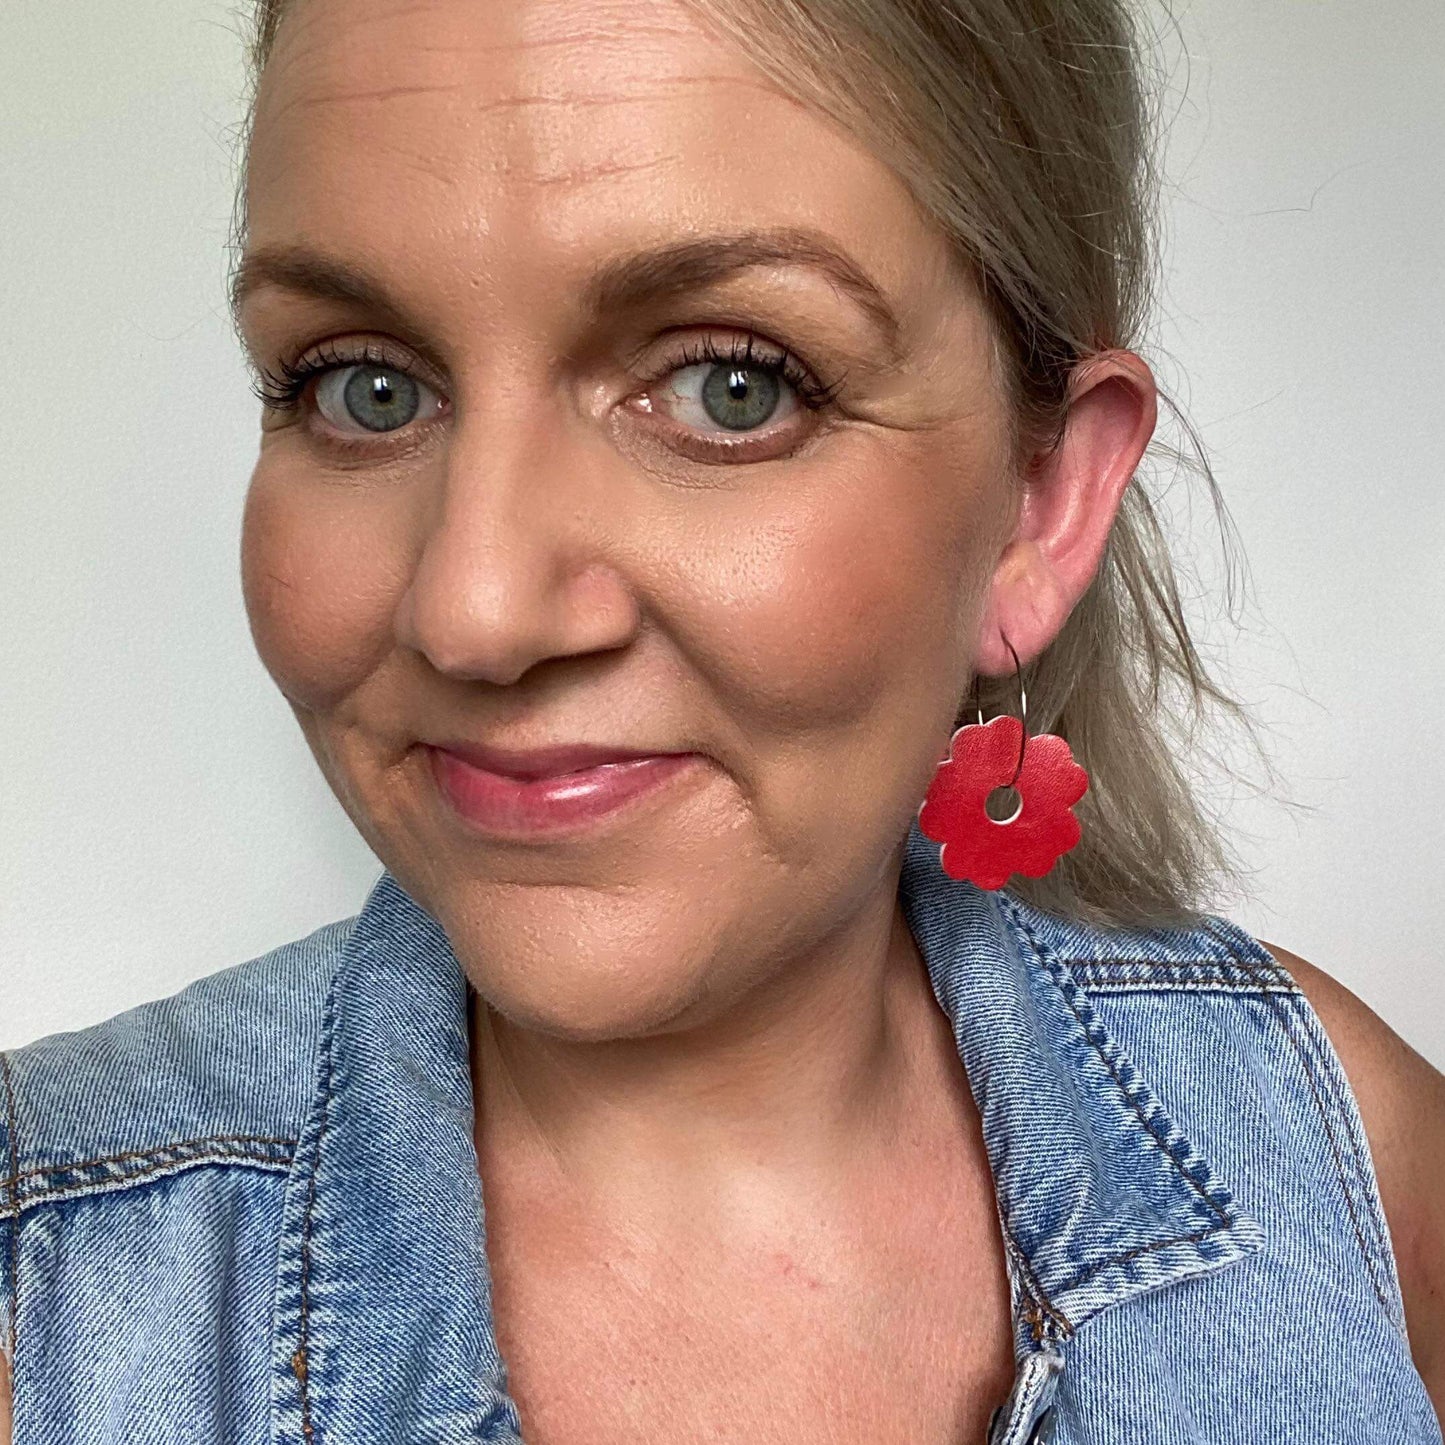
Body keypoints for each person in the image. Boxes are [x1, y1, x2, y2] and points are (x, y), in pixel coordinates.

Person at [2, 0, 1442, 1438]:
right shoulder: (43, 1288)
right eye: (364, 388)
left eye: (728, 385)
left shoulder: (1342, 1157)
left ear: (1042, 500)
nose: (476, 609)